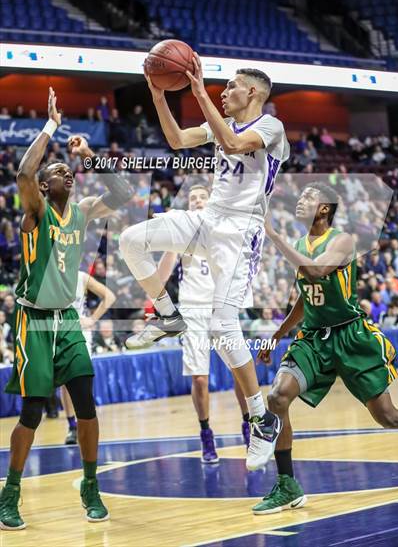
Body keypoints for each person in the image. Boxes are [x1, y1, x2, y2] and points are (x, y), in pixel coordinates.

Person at [120, 57, 290, 471]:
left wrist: (196, 91)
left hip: (240, 233)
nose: (222, 92)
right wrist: (159, 96)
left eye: (230, 87)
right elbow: (178, 140)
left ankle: (260, 418)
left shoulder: (270, 126)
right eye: (220, 88)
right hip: (208, 220)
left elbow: (233, 145)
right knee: (130, 240)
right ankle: (166, 315)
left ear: (252, 92)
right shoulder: (223, 125)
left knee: (221, 325)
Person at [0, 87, 134, 530]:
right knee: (34, 411)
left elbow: (123, 193)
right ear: (44, 186)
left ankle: (91, 485)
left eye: (68, 172)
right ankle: (11, 492)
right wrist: (52, 127)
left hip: (68, 320)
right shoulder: (35, 212)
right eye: (59, 172)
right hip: (34, 320)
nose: (67, 175)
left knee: (87, 404)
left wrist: (89, 154)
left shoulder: (81, 211)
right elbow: (23, 171)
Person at [252, 181, 398, 515]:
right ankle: (287, 485)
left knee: (388, 417)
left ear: (325, 208)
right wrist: (278, 333)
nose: (300, 201)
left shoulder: (342, 240)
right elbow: (306, 295)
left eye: (308, 197)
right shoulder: (301, 243)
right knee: (277, 397)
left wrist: (273, 235)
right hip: (314, 338)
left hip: (350, 336)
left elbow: (316, 271)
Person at [158, 185, 250, 462]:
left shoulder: (224, 228)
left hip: (222, 307)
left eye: (202, 197)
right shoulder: (183, 234)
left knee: (239, 371)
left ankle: (249, 425)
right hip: (193, 308)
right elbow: (164, 270)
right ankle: (206, 434)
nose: (197, 200)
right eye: (193, 198)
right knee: (199, 379)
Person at [62, 270, 116, 445]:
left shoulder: (81, 277)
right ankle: (72, 426)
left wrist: (92, 319)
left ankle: (86, 422)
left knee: (82, 379)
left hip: (80, 331)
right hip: (59, 332)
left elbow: (109, 296)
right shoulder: (48, 276)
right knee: (65, 382)